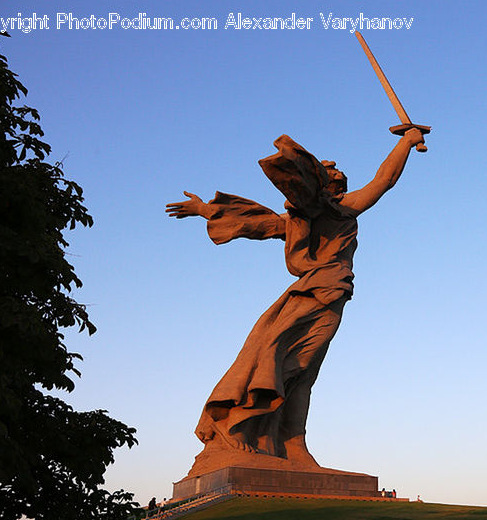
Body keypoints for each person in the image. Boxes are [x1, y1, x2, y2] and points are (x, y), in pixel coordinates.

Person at [167, 128, 425, 464]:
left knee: (302, 372)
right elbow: (383, 180)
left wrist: (405, 141)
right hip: (313, 293)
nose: (336, 169)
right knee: (280, 358)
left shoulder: (341, 208)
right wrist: (406, 141)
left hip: (329, 293)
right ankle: (240, 427)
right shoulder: (320, 213)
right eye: (330, 171)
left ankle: (292, 444)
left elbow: (383, 179)